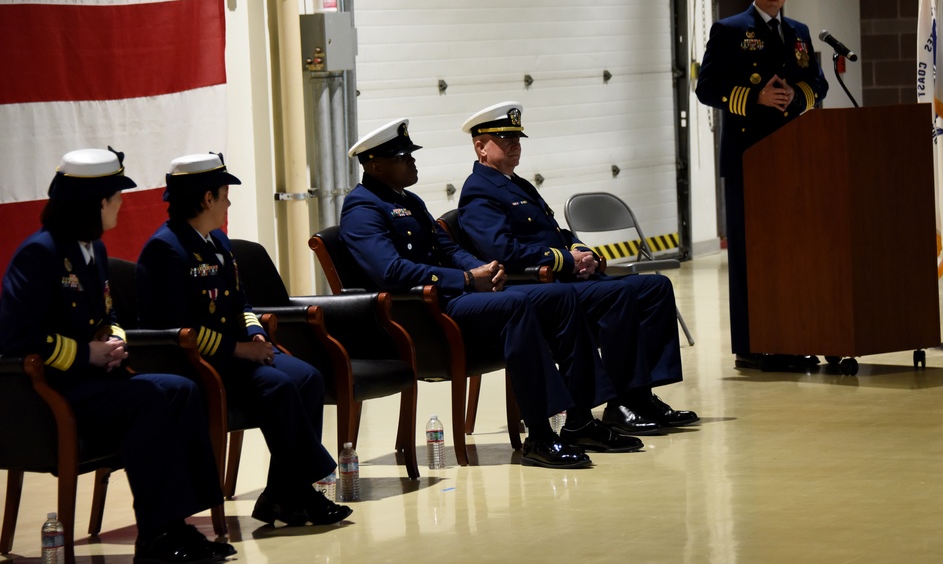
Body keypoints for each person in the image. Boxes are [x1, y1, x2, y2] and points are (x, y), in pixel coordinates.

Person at [339, 119, 646, 467]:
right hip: (424, 315)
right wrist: (467, 280)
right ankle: (541, 435)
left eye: (411, 154)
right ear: (375, 165)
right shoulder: (362, 209)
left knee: (561, 298)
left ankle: (580, 420)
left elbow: (447, 248)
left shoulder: (409, 200)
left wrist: (484, 270)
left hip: (455, 300)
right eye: (402, 157)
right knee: (516, 305)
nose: (412, 161)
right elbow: (390, 272)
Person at [0, 148, 235, 564]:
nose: (122, 205)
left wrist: (113, 341)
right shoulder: (42, 253)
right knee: (146, 399)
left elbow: (107, 312)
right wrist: (84, 354)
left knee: (180, 389)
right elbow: (15, 337)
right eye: (116, 197)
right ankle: (156, 535)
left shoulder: (93, 251)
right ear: (96, 204)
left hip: (94, 382)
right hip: (53, 391)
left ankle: (181, 522)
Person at [136, 153, 351, 528]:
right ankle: (301, 490)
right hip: (199, 363)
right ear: (206, 199)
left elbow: (241, 304)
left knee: (308, 377)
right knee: (279, 385)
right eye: (224, 194)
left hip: (237, 352)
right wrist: (240, 349)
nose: (228, 202)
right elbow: (175, 330)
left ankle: (283, 493)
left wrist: (255, 333)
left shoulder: (217, 242)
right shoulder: (166, 249)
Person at [457, 102, 698, 433]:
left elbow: (557, 232)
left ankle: (642, 394)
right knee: (618, 295)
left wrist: (579, 250)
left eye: (517, 138)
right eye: (504, 139)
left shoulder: (518, 184)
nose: (515, 145)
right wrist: (565, 261)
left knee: (655, 287)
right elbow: (502, 252)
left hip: (563, 277)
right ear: (480, 147)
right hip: (538, 288)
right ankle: (620, 403)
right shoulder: (478, 192)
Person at [695, 0, 829, 369]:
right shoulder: (730, 29)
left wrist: (797, 97)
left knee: (791, 252)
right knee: (752, 256)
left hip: (792, 159)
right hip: (748, 159)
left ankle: (789, 337)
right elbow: (706, 88)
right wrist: (757, 98)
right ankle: (753, 347)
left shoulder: (800, 32)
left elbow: (817, 83)